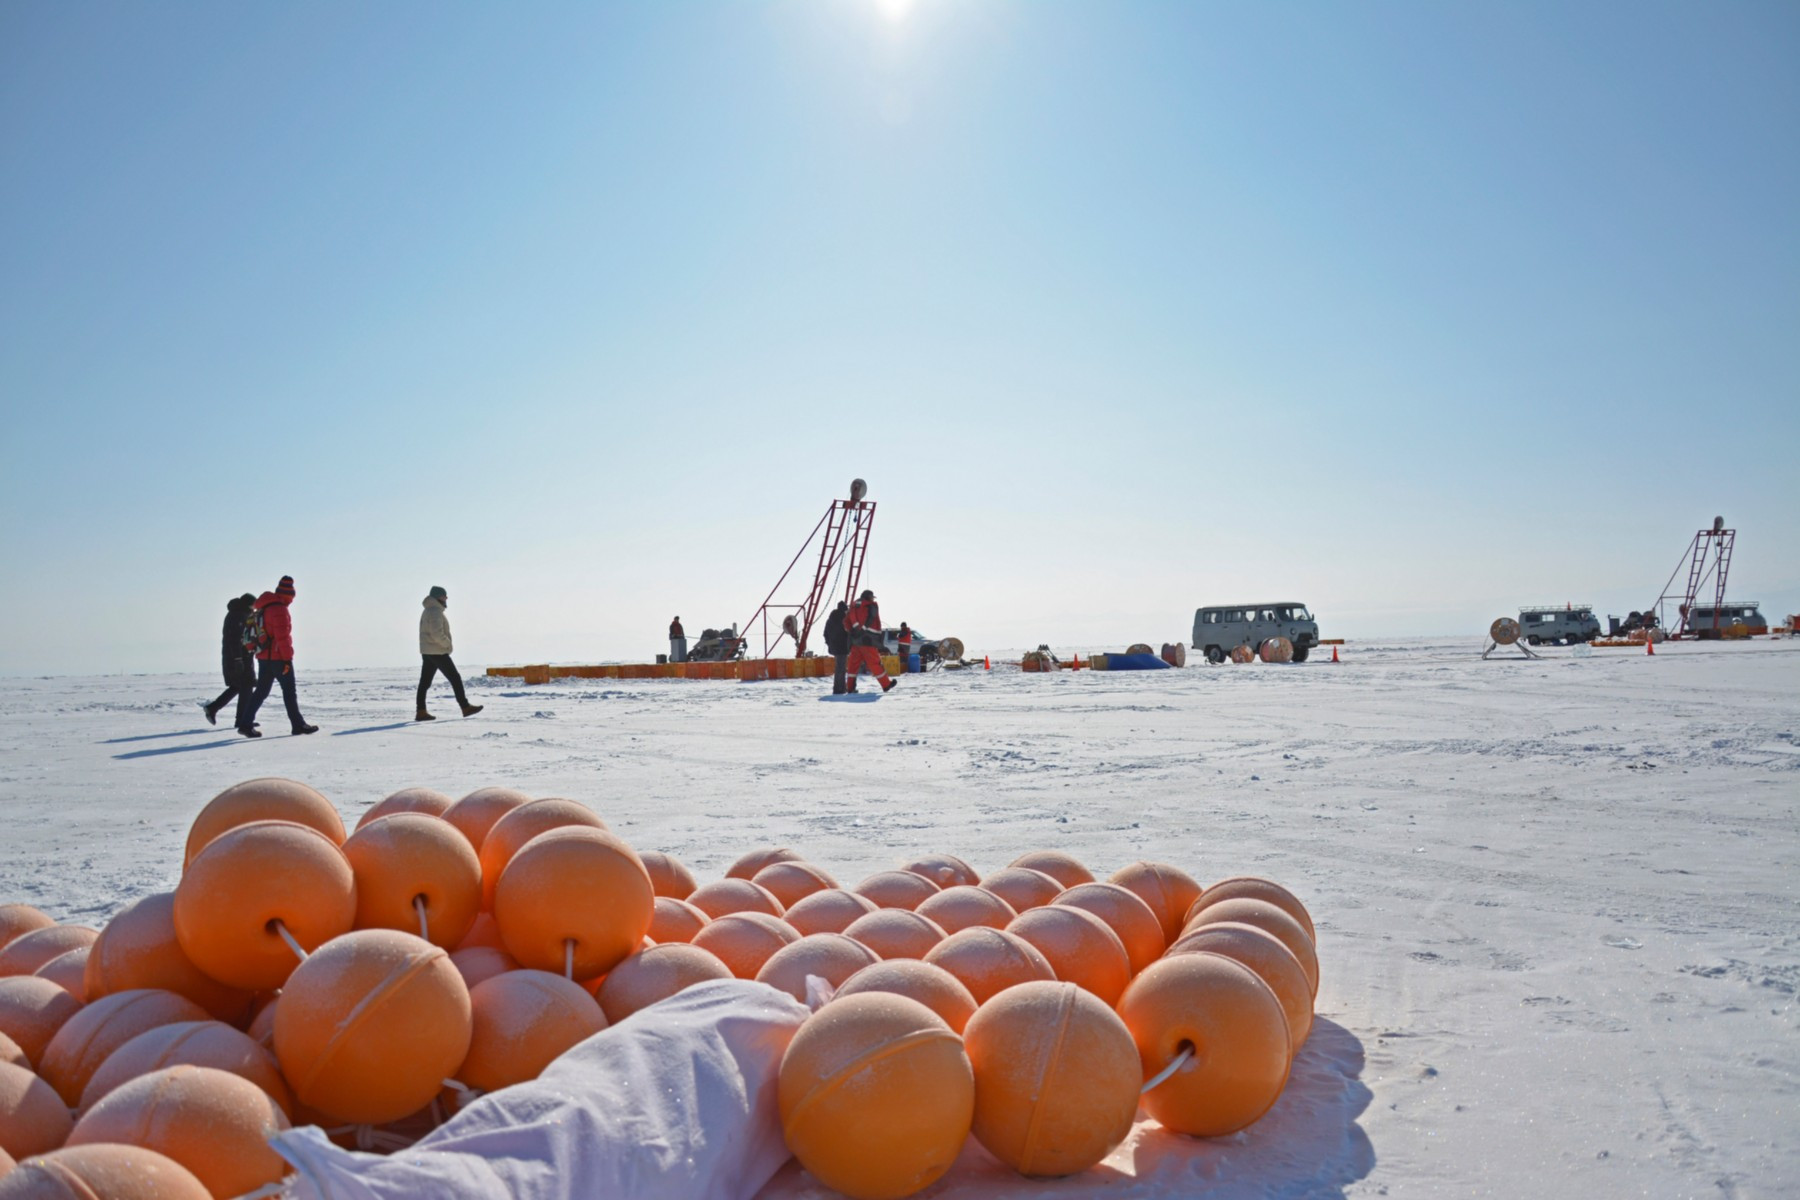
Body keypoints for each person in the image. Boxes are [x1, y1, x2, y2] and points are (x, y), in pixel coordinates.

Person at [239, 575, 317, 738]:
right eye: (292, 597)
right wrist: (287, 659)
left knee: (261, 692)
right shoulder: (280, 609)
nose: (292, 601)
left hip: (263, 657)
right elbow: (282, 638)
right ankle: (298, 725)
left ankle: (245, 724)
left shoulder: (264, 607)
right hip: (279, 658)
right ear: (287, 595)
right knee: (289, 691)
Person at [418, 585, 482, 721]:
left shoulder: (428, 610)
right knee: (455, 678)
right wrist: (448, 644)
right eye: (443, 596)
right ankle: (465, 707)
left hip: (428, 651)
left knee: (425, 682)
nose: (446, 598)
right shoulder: (435, 611)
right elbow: (436, 634)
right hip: (437, 651)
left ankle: (421, 711)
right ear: (437, 597)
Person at [200, 594, 257, 728]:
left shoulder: (240, 614)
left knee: (239, 686)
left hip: (239, 657)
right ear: (248, 604)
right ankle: (241, 719)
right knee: (246, 685)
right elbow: (234, 639)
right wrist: (238, 659)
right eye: (253, 605)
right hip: (238, 658)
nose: (255, 609)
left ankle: (214, 709)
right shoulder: (238, 616)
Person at [843, 588, 895, 693]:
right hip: (867, 641)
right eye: (871, 597)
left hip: (855, 641)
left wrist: (853, 632)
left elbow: (846, 622)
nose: (872, 599)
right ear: (868, 597)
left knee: (853, 666)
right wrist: (863, 631)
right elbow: (870, 619)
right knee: (875, 663)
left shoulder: (853, 606)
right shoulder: (870, 606)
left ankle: (850, 688)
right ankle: (886, 685)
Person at [823, 599, 851, 694]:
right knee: (841, 669)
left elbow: (825, 634)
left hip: (834, 647)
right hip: (842, 647)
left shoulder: (830, 620)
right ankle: (839, 689)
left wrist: (829, 643)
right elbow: (848, 633)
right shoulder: (844, 619)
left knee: (839, 668)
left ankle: (840, 688)